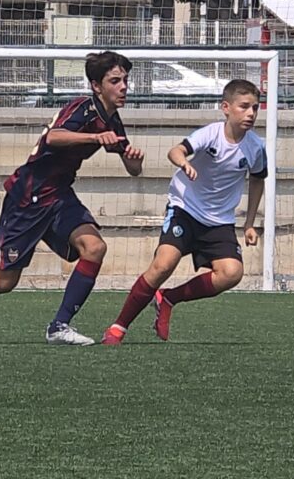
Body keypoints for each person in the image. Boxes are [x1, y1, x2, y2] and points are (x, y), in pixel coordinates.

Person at [0, 51, 145, 345]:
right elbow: (53, 137)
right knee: (4, 282)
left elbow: (133, 169)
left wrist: (134, 159)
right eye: (115, 81)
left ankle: (59, 326)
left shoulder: (112, 120)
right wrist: (94, 138)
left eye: (125, 80)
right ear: (96, 86)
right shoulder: (83, 108)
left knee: (94, 247)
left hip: (59, 196)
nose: (123, 87)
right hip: (28, 198)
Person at [101, 79, 266, 345]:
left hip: (219, 221)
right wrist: (184, 164)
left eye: (255, 108)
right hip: (185, 209)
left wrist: (249, 223)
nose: (250, 113)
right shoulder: (210, 134)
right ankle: (118, 327)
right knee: (163, 265)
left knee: (231, 273)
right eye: (244, 106)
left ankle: (169, 298)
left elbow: (258, 179)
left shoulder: (256, 147)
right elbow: (175, 151)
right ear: (226, 107)